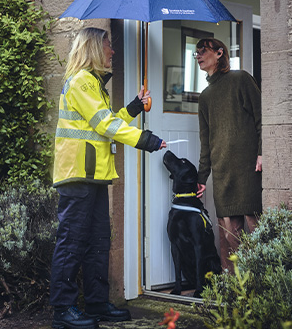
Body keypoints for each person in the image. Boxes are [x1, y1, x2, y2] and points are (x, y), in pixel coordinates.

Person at [51, 27, 166, 329]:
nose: (112, 52)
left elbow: (108, 120)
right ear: (93, 49)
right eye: (108, 46)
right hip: (77, 176)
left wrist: (133, 108)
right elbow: (104, 125)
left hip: (94, 176)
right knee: (72, 242)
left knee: (98, 243)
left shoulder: (93, 85)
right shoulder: (82, 82)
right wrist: (146, 140)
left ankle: (97, 303)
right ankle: (63, 311)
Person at [194, 38, 262, 272]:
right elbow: (206, 140)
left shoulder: (240, 79)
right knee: (229, 235)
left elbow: (262, 119)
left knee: (256, 227)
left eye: (203, 51)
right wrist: (202, 177)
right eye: (196, 53)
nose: (199, 56)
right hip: (222, 172)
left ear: (220, 53)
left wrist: (263, 153)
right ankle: (234, 290)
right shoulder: (205, 96)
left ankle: (260, 285)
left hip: (248, 168)